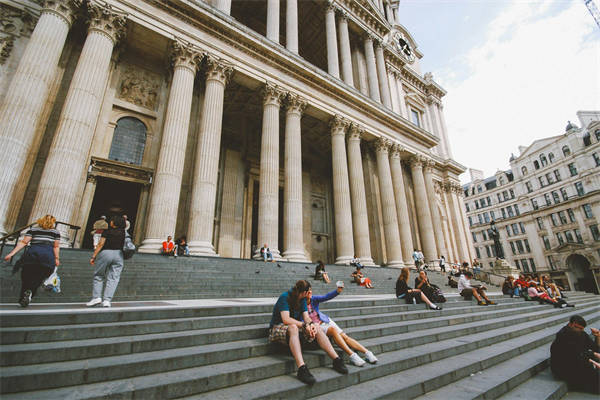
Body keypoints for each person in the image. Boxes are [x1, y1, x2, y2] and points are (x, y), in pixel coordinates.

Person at [268, 280, 348, 385]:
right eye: (308, 292)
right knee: (293, 327)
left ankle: (336, 360)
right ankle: (302, 368)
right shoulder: (285, 297)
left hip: (294, 328)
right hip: (276, 328)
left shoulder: (302, 299)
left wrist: (311, 325)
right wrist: (304, 325)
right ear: (304, 292)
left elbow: (306, 317)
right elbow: (286, 319)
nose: (309, 294)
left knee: (316, 326)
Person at [306, 283, 378, 367]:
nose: (310, 293)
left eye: (310, 290)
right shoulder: (300, 305)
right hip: (318, 326)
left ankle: (367, 353)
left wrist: (337, 291)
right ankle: (352, 355)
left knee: (345, 336)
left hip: (325, 320)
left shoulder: (313, 299)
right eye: (308, 291)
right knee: (333, 330)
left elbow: (326, 297)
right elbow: (301, 318)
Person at [4, 215, 60, 307]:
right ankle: (30, 293)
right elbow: (56, 246)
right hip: (47, 257)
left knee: (26, 276)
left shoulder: (33, 230)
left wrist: (11, 253)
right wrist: (57, 259)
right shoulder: (55, 232)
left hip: (32, 255)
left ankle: (24, 296)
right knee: (39, 278)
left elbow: (23, 242)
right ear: (53, 222)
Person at [551, 315, 600, 394]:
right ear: (571, 324)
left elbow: (595, 348)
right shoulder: (562, 335)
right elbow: (573, 354)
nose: (581, 330)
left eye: (582, 328)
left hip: (577, 362)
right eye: (579, 328)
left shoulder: (580, 333)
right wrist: (593, 356)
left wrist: (598, 336)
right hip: (564, 368)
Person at [86, 215, 126, 308]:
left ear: (114, 222)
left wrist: (94, 256)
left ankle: (96, 297)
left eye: (111, 220)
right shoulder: (124, 233)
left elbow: (100, 244)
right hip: (119, 255)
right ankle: (107, 300)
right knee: (114, 278)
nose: (110, 222)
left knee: (99, 275)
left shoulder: (107, 231)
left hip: (106, 253)